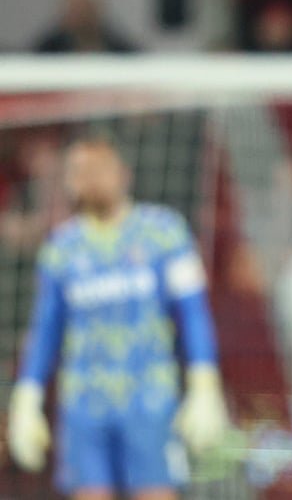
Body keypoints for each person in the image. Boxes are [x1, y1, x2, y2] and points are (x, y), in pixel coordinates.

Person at [6, 136, 228, 500]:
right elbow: (45, 329)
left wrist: (205, 383)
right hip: (84, 404)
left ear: (123, 174)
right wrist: (27, 396)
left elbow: (193, 311)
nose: (92, 180)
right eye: (82, 172)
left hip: (150, 398)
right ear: (70, 183)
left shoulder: (164, 233)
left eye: (100, 170)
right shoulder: (61, 249)